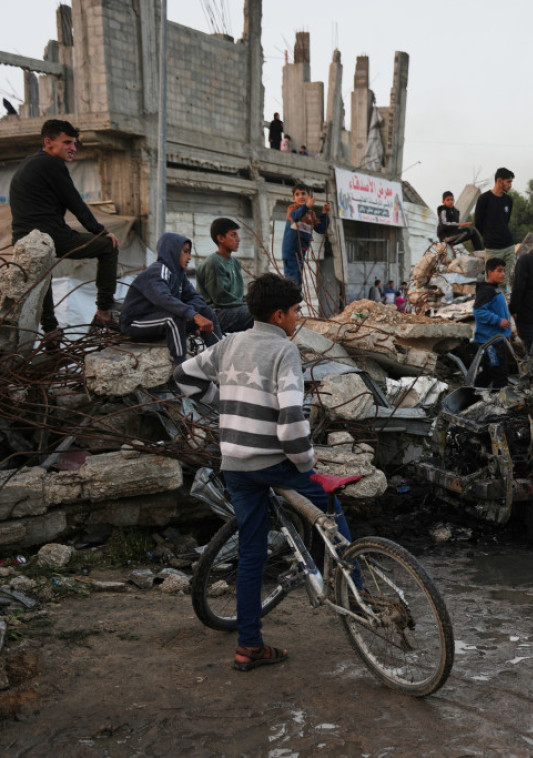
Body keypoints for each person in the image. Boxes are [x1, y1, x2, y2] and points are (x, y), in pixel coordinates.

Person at [173, 273, 358, 671]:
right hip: (275, 463)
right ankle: (359, 592)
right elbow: (292, 425)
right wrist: (308, 464)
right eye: (295, 311)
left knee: (252, 552)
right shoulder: (284, 351)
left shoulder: (230, 343)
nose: (298, 318)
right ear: (278, 315)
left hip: (236, 465)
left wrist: (224, 401)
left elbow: (183, 376)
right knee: (331, 506)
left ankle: (249, 646)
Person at [9, 119, 120, 335]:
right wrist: (101, 231)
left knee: (44, 274)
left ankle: (50, 331)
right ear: (48, 142)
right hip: (50, 235)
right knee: (109, 247)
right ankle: (104, 313)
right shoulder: (51, 164)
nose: (73, 148)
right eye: (67, 142)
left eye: (75, 143)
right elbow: (74, 201)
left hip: (23, 241)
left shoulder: (29, 163)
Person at [121, 232, 221, 364]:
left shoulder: (179, 275)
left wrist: (192, 312)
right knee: (173, 318)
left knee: (207, 312)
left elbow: (196, 298)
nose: (189, 257)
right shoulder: (158, 271)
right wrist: (193, 315)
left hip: (159, 323)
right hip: (136, 323)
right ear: (172, 251)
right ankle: (182, 367)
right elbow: (164, 299)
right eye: (185, 252)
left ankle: (221, 359)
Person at [196, 218, 254, 333]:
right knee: (258, 314)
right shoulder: (214, 262)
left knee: (266, 308)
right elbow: (221, 300)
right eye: (233, 235)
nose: (238, 239)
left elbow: (237, 296)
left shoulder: (235, 263)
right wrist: (249, 304)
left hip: (233, 309)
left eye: (237, 235)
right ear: (221, 238)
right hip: (215, 313)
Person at [474, 168, 516, 293]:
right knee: (491, 284)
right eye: (508, 182)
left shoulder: (508, 200)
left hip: (508, 246)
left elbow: (505, 221)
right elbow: (478, 222)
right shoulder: (484, 199)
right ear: (499, 181)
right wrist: (489, 237)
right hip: (492, 248)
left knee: (503, 282)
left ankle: (501, 309)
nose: (510, 185)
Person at [472, 258, 512, 388]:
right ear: (489, 272)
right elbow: (478, 312)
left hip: (498, 340)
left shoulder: (495, 289)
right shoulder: (486, 291)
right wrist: (498, 321)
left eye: (504, 271)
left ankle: (475, 395)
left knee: (490, 372)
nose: (503, 274)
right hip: (489, 342)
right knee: (499, 374)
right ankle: (499, 401)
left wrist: (507, 335)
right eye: (499, 271)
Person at [281, 183, 329, 288]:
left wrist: (324, 213)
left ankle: (294, 302)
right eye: (297, 194)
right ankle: (290, 302)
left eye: (303, 193)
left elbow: (321, 229)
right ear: (294, 198)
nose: (301, 196)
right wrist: (307, 206)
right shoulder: (292, 209)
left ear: (309, 196)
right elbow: (296, 216)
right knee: (292, 281)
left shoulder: (310, 215)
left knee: (298, 281)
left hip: (301, 253)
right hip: (291, 253)